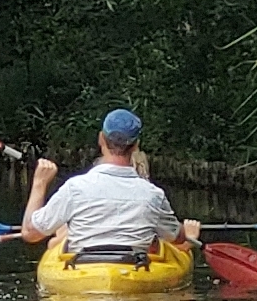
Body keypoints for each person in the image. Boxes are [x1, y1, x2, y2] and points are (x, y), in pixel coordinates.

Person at [19, 108, 201, 262]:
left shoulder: (74, 188)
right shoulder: (153, 194)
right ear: (136, 145)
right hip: (134, 268)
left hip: (83, 269)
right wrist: (189, 235)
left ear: (101, 139)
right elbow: (177, 238)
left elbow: (30, 233)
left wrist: (39, 183)